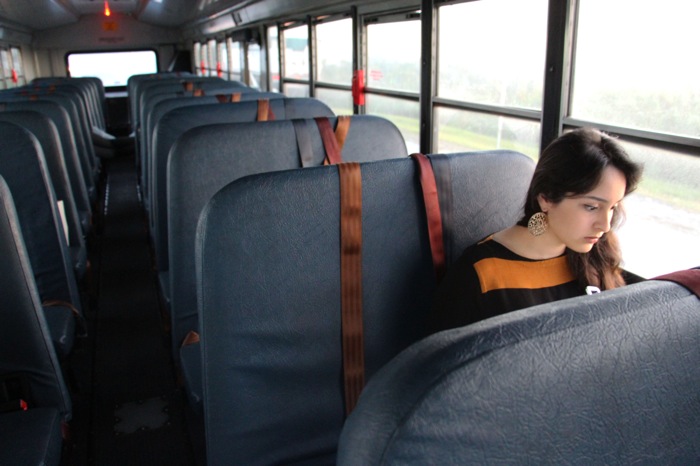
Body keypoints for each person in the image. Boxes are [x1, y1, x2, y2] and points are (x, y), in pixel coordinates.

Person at [429, 127, 643, 333]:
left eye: (613, 207)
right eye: (591, 207)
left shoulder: (596, 257)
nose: (605, 226)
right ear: (546, 198)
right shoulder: (481, 273)